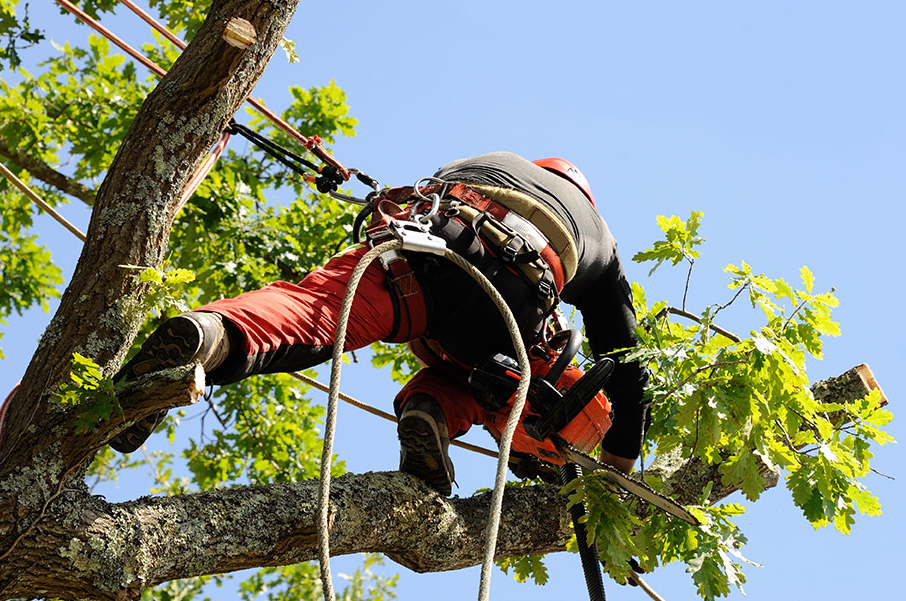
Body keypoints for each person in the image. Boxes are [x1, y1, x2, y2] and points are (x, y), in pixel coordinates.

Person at [110, 152, 649, 496]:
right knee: (515, 377)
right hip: (517, 299)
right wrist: (620, 466)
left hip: (429, 246)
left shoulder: (492, 161)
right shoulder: (598, 235)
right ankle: (432, 410)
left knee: (316, 311)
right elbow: (628, 363)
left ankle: (209, 336)